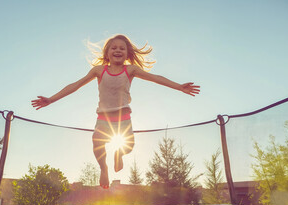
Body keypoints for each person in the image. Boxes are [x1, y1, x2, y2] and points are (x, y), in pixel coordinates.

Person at [31, 34, 200, 189]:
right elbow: (75, 85)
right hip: (103, 117)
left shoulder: (131, 70)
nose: (118, 50)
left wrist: (179, 87)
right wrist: (51, 99)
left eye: (122, 48)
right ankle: (104, 168)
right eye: (114, 48)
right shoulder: (99, 70)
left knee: (129, 145)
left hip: (123, 116)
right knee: (97, 143)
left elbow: (156, 78)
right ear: (107, 53)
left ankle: (119, 153)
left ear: (127, 54)